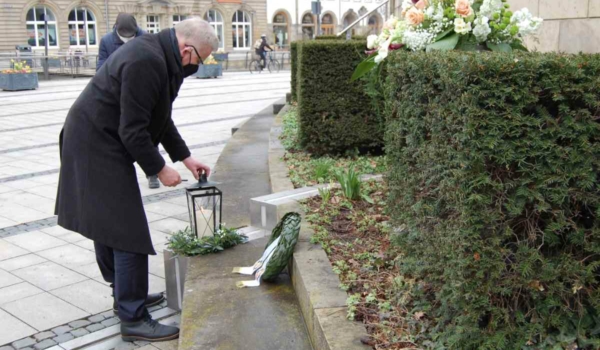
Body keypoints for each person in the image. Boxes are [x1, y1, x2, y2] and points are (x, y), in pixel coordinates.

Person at [55, 18, 218, 342]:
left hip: (99, 138)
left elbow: (160, 117)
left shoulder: (163, 57)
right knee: (126, 229)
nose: (198, 67)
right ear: (187, 50)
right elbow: (133, 130)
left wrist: (184, 158)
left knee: (109, 223)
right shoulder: (148, 60)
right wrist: (159, 168)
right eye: (200, 60)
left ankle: (125, 295)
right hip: (94, 143)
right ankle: (133, 317)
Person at [97, 14, 162, 189]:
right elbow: (101, 67)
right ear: (116, 28)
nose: (127, 37)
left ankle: (153, 173)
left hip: (142, 93)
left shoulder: (146, 38)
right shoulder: (107, 41)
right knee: (120, 136)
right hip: (117, 94)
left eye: (130, 34)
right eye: (123, 34)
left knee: (149, 133)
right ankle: (118, 176)